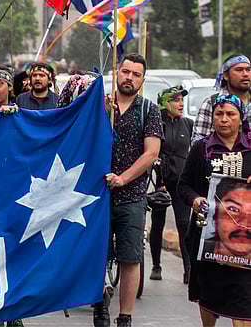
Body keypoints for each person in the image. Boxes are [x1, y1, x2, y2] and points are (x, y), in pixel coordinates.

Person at [95, 54, 163, 327]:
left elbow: (151, 153)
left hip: (132, 197)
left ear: (142, 80)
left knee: (130, 258)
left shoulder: (149, 110)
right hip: (97, 196)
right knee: (97, 255)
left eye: (136, 74)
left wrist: (124, 178)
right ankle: (99, 305)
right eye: (125, 71)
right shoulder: (100, 107)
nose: (129, 78)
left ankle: (125, 316)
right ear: (117, 72)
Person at [177, 94, 251, 326]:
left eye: (230, 114)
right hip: (208, 238)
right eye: (219, 114)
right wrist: (196, 200)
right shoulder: (201, 149)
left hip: (244, 241)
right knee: (209, 295)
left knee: (243, 302)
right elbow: (183, 185)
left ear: (241, 118)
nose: (224, 119)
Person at [148, 86, 193, 283]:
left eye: (182, 100)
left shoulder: (188, 124)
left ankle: (188, 269)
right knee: (158, 223)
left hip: (182, 184)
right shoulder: (156, 124)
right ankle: (156, 265)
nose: (181, 104)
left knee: (184, 224)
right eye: (176, 100)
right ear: (166, 103)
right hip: (161, 182)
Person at [194, 54, 251, 143]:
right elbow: (198, 142)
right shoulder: (212, 103)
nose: (245, 74)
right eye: (239, 70)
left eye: (248, 69)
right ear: (226, 75)